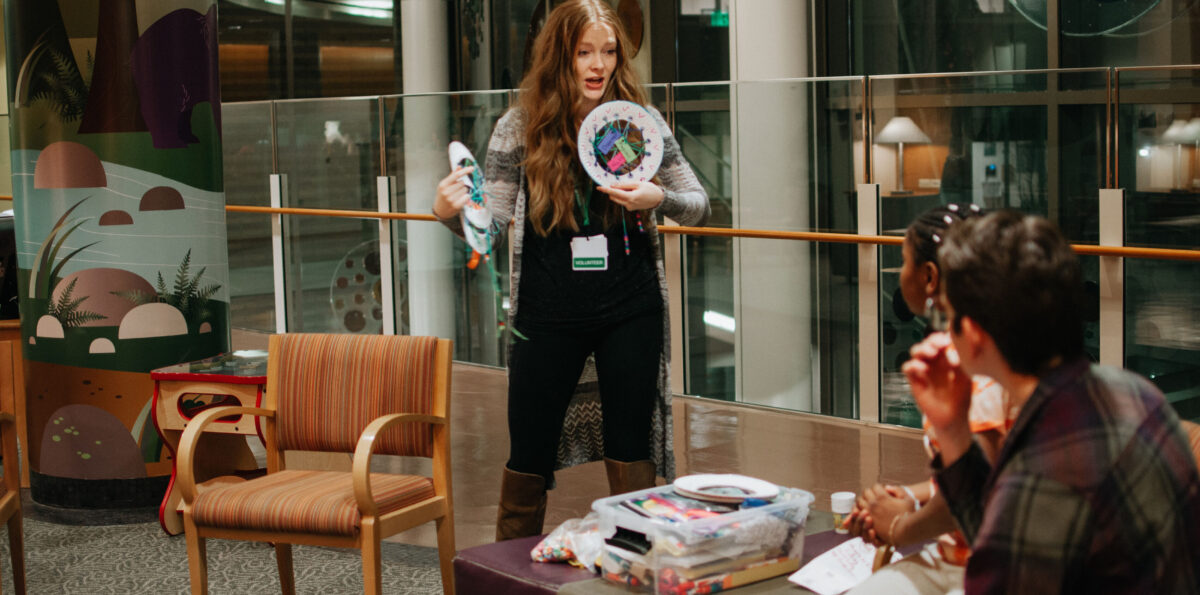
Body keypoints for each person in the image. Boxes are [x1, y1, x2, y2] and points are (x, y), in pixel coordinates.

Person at [432, 0, 709, 542]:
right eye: (584, 52)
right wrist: (447, 212)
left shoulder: (639, 123)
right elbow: (487, 230)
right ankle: (507, 574)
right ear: (561, 56)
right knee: (528, 451)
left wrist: (659, 196)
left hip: (630, 309)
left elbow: (697, 203)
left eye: (608, 52)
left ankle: (633, 557)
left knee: (631, 446)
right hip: (545, 313)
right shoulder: (521, 127)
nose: (597, 65)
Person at [904, 211, 1200, 593]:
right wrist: (955, 431)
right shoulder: (1136, 391)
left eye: (949, 315)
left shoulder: (1042, 470)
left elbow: (1003, 563)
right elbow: (1004, 537)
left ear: (973, 334)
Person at [845, 204, 1019, 595]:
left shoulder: (971, 362)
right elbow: (980, 472)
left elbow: (978, 490)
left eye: (902, 261)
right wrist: (907, 496)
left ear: (929, 277)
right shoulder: (990, 341)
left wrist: (899, 526)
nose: (899, 272)